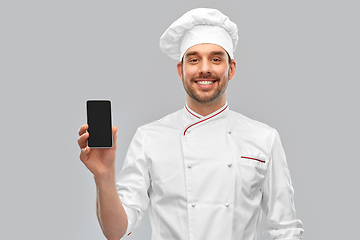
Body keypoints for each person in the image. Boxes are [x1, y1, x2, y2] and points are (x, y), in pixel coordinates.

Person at [77, 8, 304, 240]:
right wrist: (103, 176)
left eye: (216, 59)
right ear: (181, 70)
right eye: (194, 60)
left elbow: (285, 229)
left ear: (231, 69)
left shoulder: (263, 138)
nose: (204, 68)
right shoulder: (150, 138)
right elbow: (116, 231)